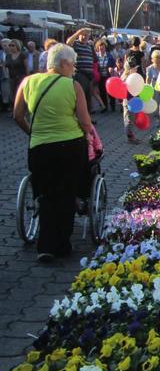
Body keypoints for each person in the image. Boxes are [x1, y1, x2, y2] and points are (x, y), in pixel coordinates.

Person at [13, 43, 92, 262]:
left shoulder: (27, 82)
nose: (74, 68)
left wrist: (34, 132)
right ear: (63, 63)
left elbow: (18, 116)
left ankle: (45, 246)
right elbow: (85, 122)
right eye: (73, 64)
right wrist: (89, 134)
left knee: (46, 195)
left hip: (39, 147)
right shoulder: (72, 86)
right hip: (70, 146)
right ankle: (62, 245)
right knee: (66, 192)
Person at [66, 28, 96, 113]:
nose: (84, 37)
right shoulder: (76, 44)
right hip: (80, 74)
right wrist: (78, 32)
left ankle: (88, 118)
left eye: (86, 35)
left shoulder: (89, 46)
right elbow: (68, 43)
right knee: (80, 98)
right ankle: (80, 118)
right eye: (83, 35)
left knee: (88, 98)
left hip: (89, 76)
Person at [147, 49, 160, 129]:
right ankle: (158, 121)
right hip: (154, 90)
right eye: (157, 58)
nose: (159, 59)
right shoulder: (150, 68)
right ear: (153, 59)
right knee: (156, 109)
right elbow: (148, 80)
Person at [95, 39, 115, 112]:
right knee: (102, 92)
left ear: (105, 48)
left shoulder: (109, 55)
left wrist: (111, 67)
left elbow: (113, 64)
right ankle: (105, 107)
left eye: (102, 47)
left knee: (110, 92)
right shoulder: (96, 56)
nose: (101, 48)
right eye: (100, 47)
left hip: (108, 76)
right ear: (98, 47)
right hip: (100, 77)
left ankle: (112, 106)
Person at [6, 40, 28, 105]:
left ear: (17, 46)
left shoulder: (22, 55)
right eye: (9, 45)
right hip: (11, 78)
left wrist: (27, 77)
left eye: (13, 45)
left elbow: (26, 67)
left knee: (20, 94)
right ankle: (14, 109)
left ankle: (23, 110)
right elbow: (6, 65)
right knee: (12, 95)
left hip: (21, 77)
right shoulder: (8, 56)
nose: (11, 47)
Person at [0, 39, 11, 111]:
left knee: (10, 91)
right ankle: (4, 106)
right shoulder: (0, 53)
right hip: (2, 75)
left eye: (6, 45)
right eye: (3, 45)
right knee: (4, 91)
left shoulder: (12, 53)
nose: (5, 47)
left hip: (10, 74)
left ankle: (9, 106)